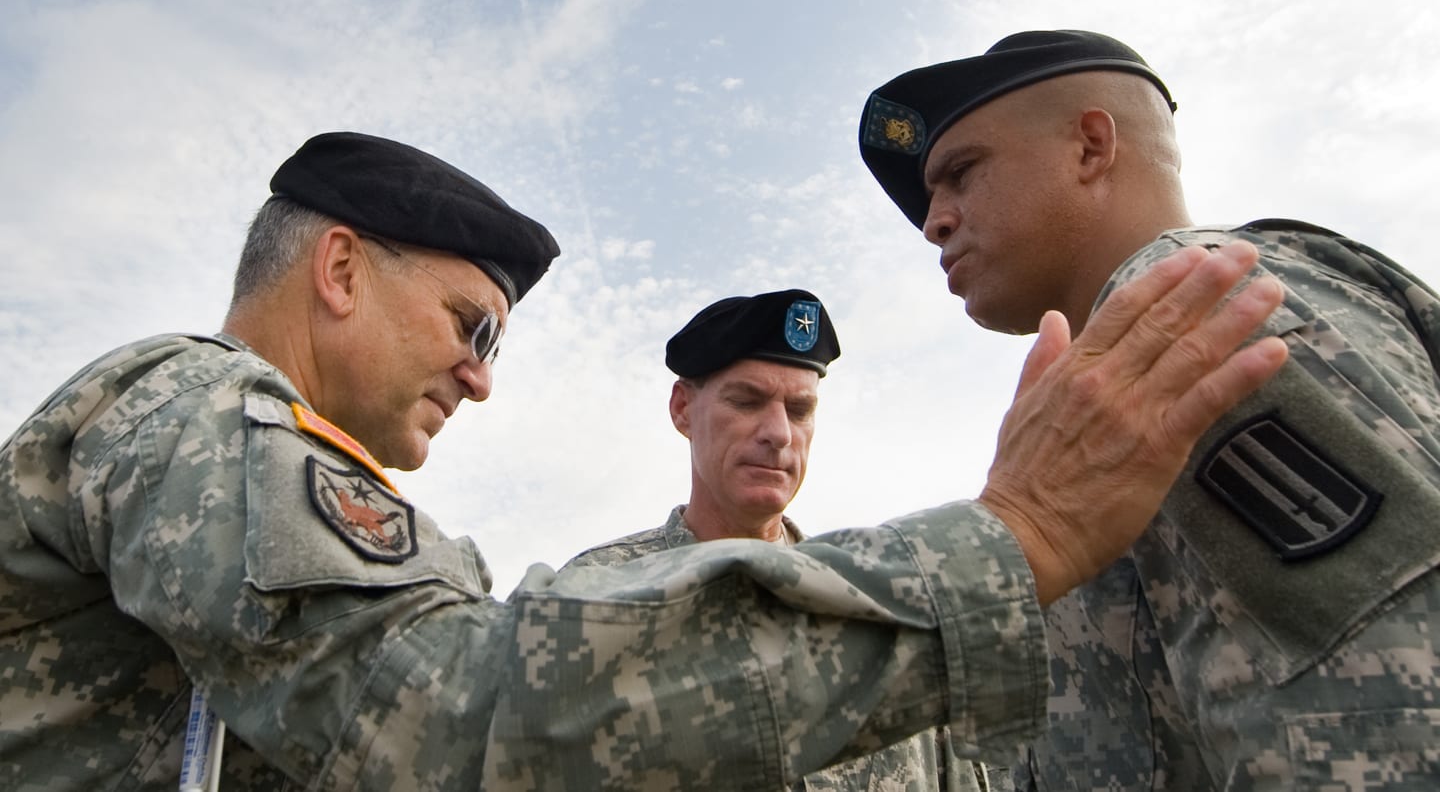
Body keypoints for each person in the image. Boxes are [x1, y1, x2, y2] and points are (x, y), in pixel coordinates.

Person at [0, 130, 1289, 792]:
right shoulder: (189, 411)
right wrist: (1014, 542)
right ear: (339, 268)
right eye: (470, 324)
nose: (482, 375)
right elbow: (452, 710)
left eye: (802, 405)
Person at [858, 30, 1440, 791]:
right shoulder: (1115, 374)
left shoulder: (1193, 310)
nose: (935, 220)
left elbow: (1388, 714)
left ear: (1091, 147)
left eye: (961, 173)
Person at [566, 288, 997, 791]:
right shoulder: (591, 597)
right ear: (683, 408)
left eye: (799, 409)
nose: (779, 433)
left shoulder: (884, 614)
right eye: (746, 401)